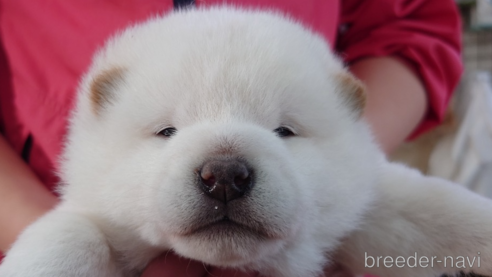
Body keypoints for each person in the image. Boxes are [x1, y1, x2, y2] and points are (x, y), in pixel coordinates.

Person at [0, 0, 462, 276]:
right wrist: (92, 246)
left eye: (281, 132)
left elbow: (410, 24)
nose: (222, 173)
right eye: (167, 132)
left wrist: (338, 196)